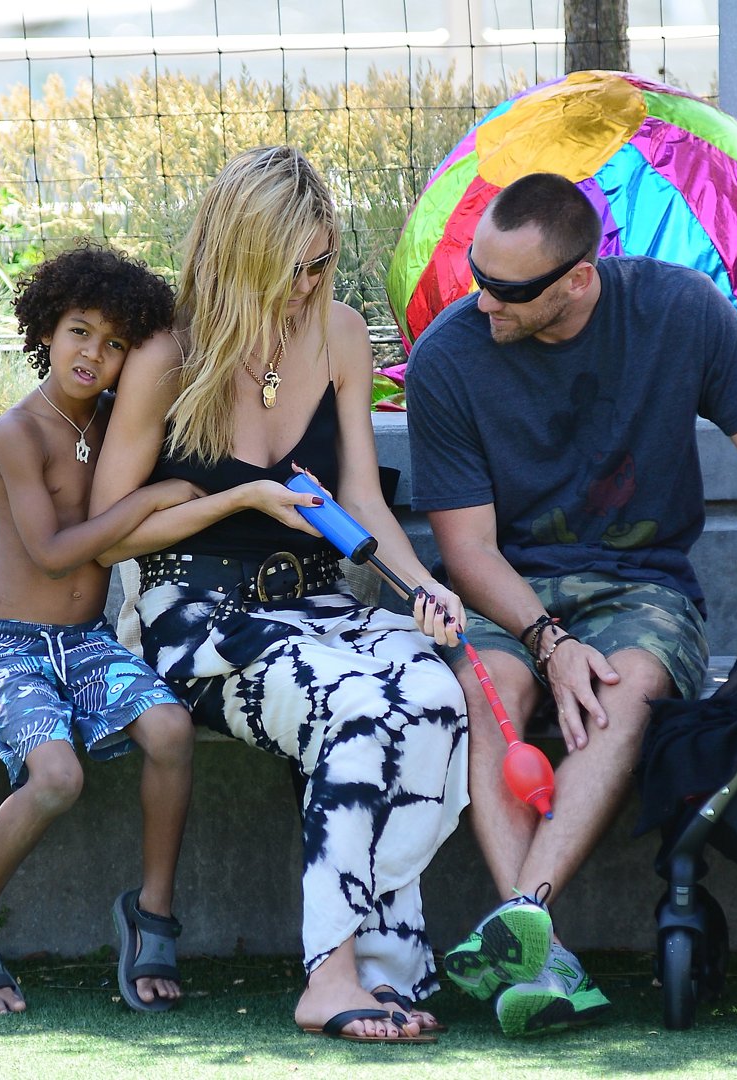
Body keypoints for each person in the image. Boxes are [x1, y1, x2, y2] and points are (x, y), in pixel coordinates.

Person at [405, 172, 737, 1037]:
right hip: (510, 589)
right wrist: (546, 638)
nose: (480, 299)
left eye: (506, 288)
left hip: (642, 586)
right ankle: (541, 942)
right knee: (487, 693)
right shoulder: (449, 358)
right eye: (474, 272)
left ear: (578, 279)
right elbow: (466, 551)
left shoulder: (678, 311)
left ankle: (523, 927)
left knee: (631, 689)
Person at [88, 145, 469, 1043]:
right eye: (292, 268)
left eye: (322, 263)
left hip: (319, 600)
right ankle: (329, 973)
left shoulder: (339, 331)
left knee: (430, 693)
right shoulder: (165, 351)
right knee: (351, 705)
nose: (309, 285)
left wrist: (424, 587)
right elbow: (108, 533)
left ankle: (384, 967)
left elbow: (364, 499)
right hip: (190, 617)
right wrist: (246, 498)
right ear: (241, 253)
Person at [0, 243, 199, 1017]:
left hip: (86, 645)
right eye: (80, 331)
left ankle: (151, 913)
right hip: (11, 643)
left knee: (172, 729)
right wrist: (148, 503)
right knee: (57, 777)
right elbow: (49, 554)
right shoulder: (20, 432)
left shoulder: (120, 423)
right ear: (46, 328)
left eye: (115, 344)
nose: (94, 354)